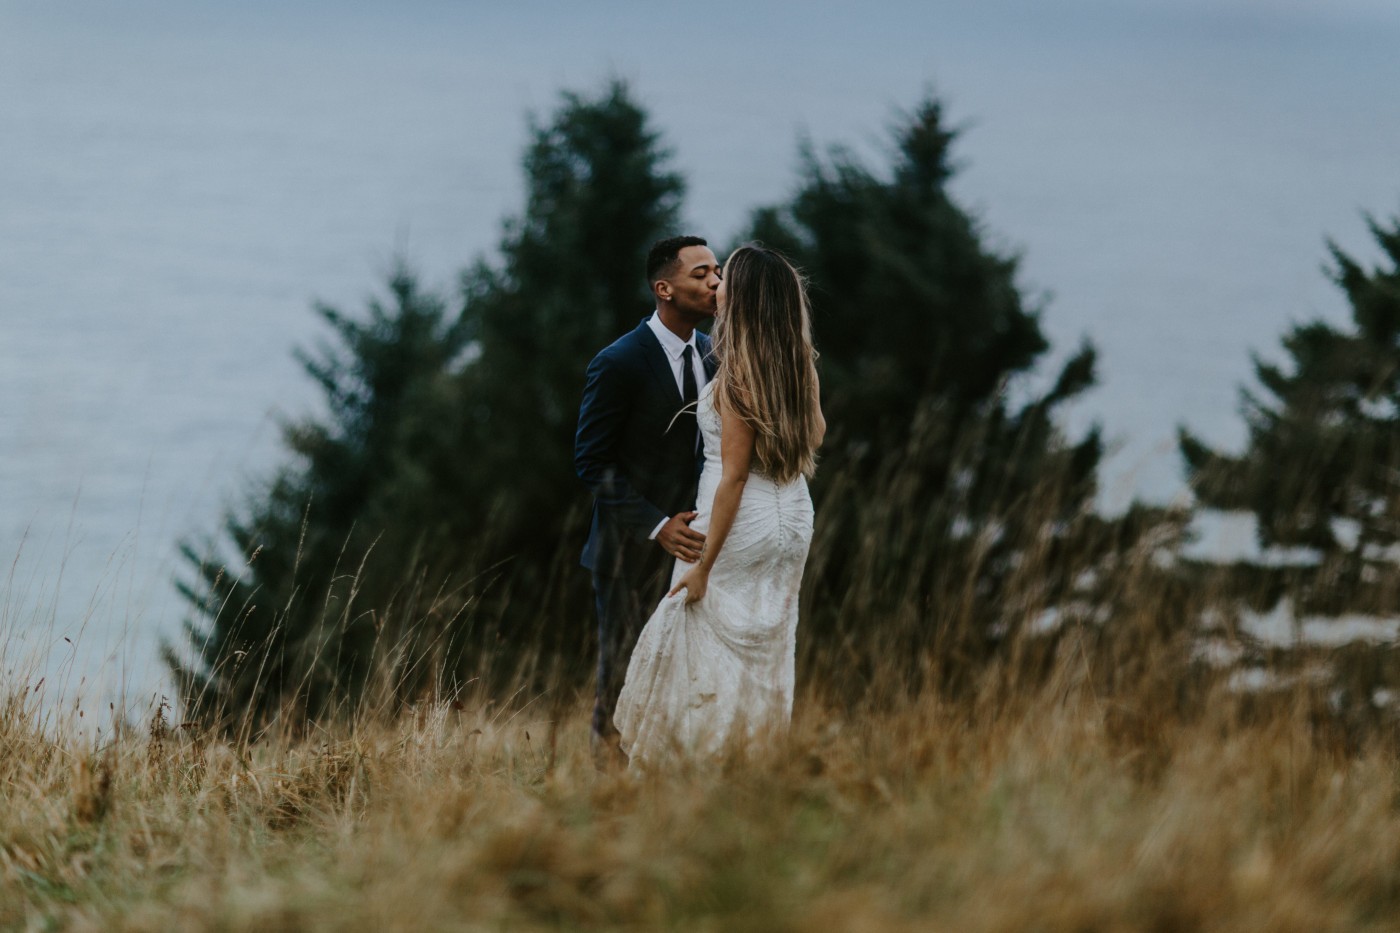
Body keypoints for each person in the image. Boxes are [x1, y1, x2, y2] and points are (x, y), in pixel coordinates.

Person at [615, 244, 825, 768]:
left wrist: (703, 565)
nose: (716, 284)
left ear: (745, 295)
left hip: (742, 519)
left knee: (695, 633)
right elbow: (816, 434)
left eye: (724, 276)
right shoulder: (796, 363)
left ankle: (696, 763)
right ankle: (753, 757)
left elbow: (732, 476)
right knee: (767, 643)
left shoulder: (735, 376)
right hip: (793, 516)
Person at [574, 235, 722, 764]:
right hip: (629, 549)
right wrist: (658, 525)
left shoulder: (714, 353)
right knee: (624, 669)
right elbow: (591, 462)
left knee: (685, 668)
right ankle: (609, 775)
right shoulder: (618, 361)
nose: (715, 283)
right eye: (701, 274)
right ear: (664, 288)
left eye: (717, 272)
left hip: (699, 545)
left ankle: (667, 770)